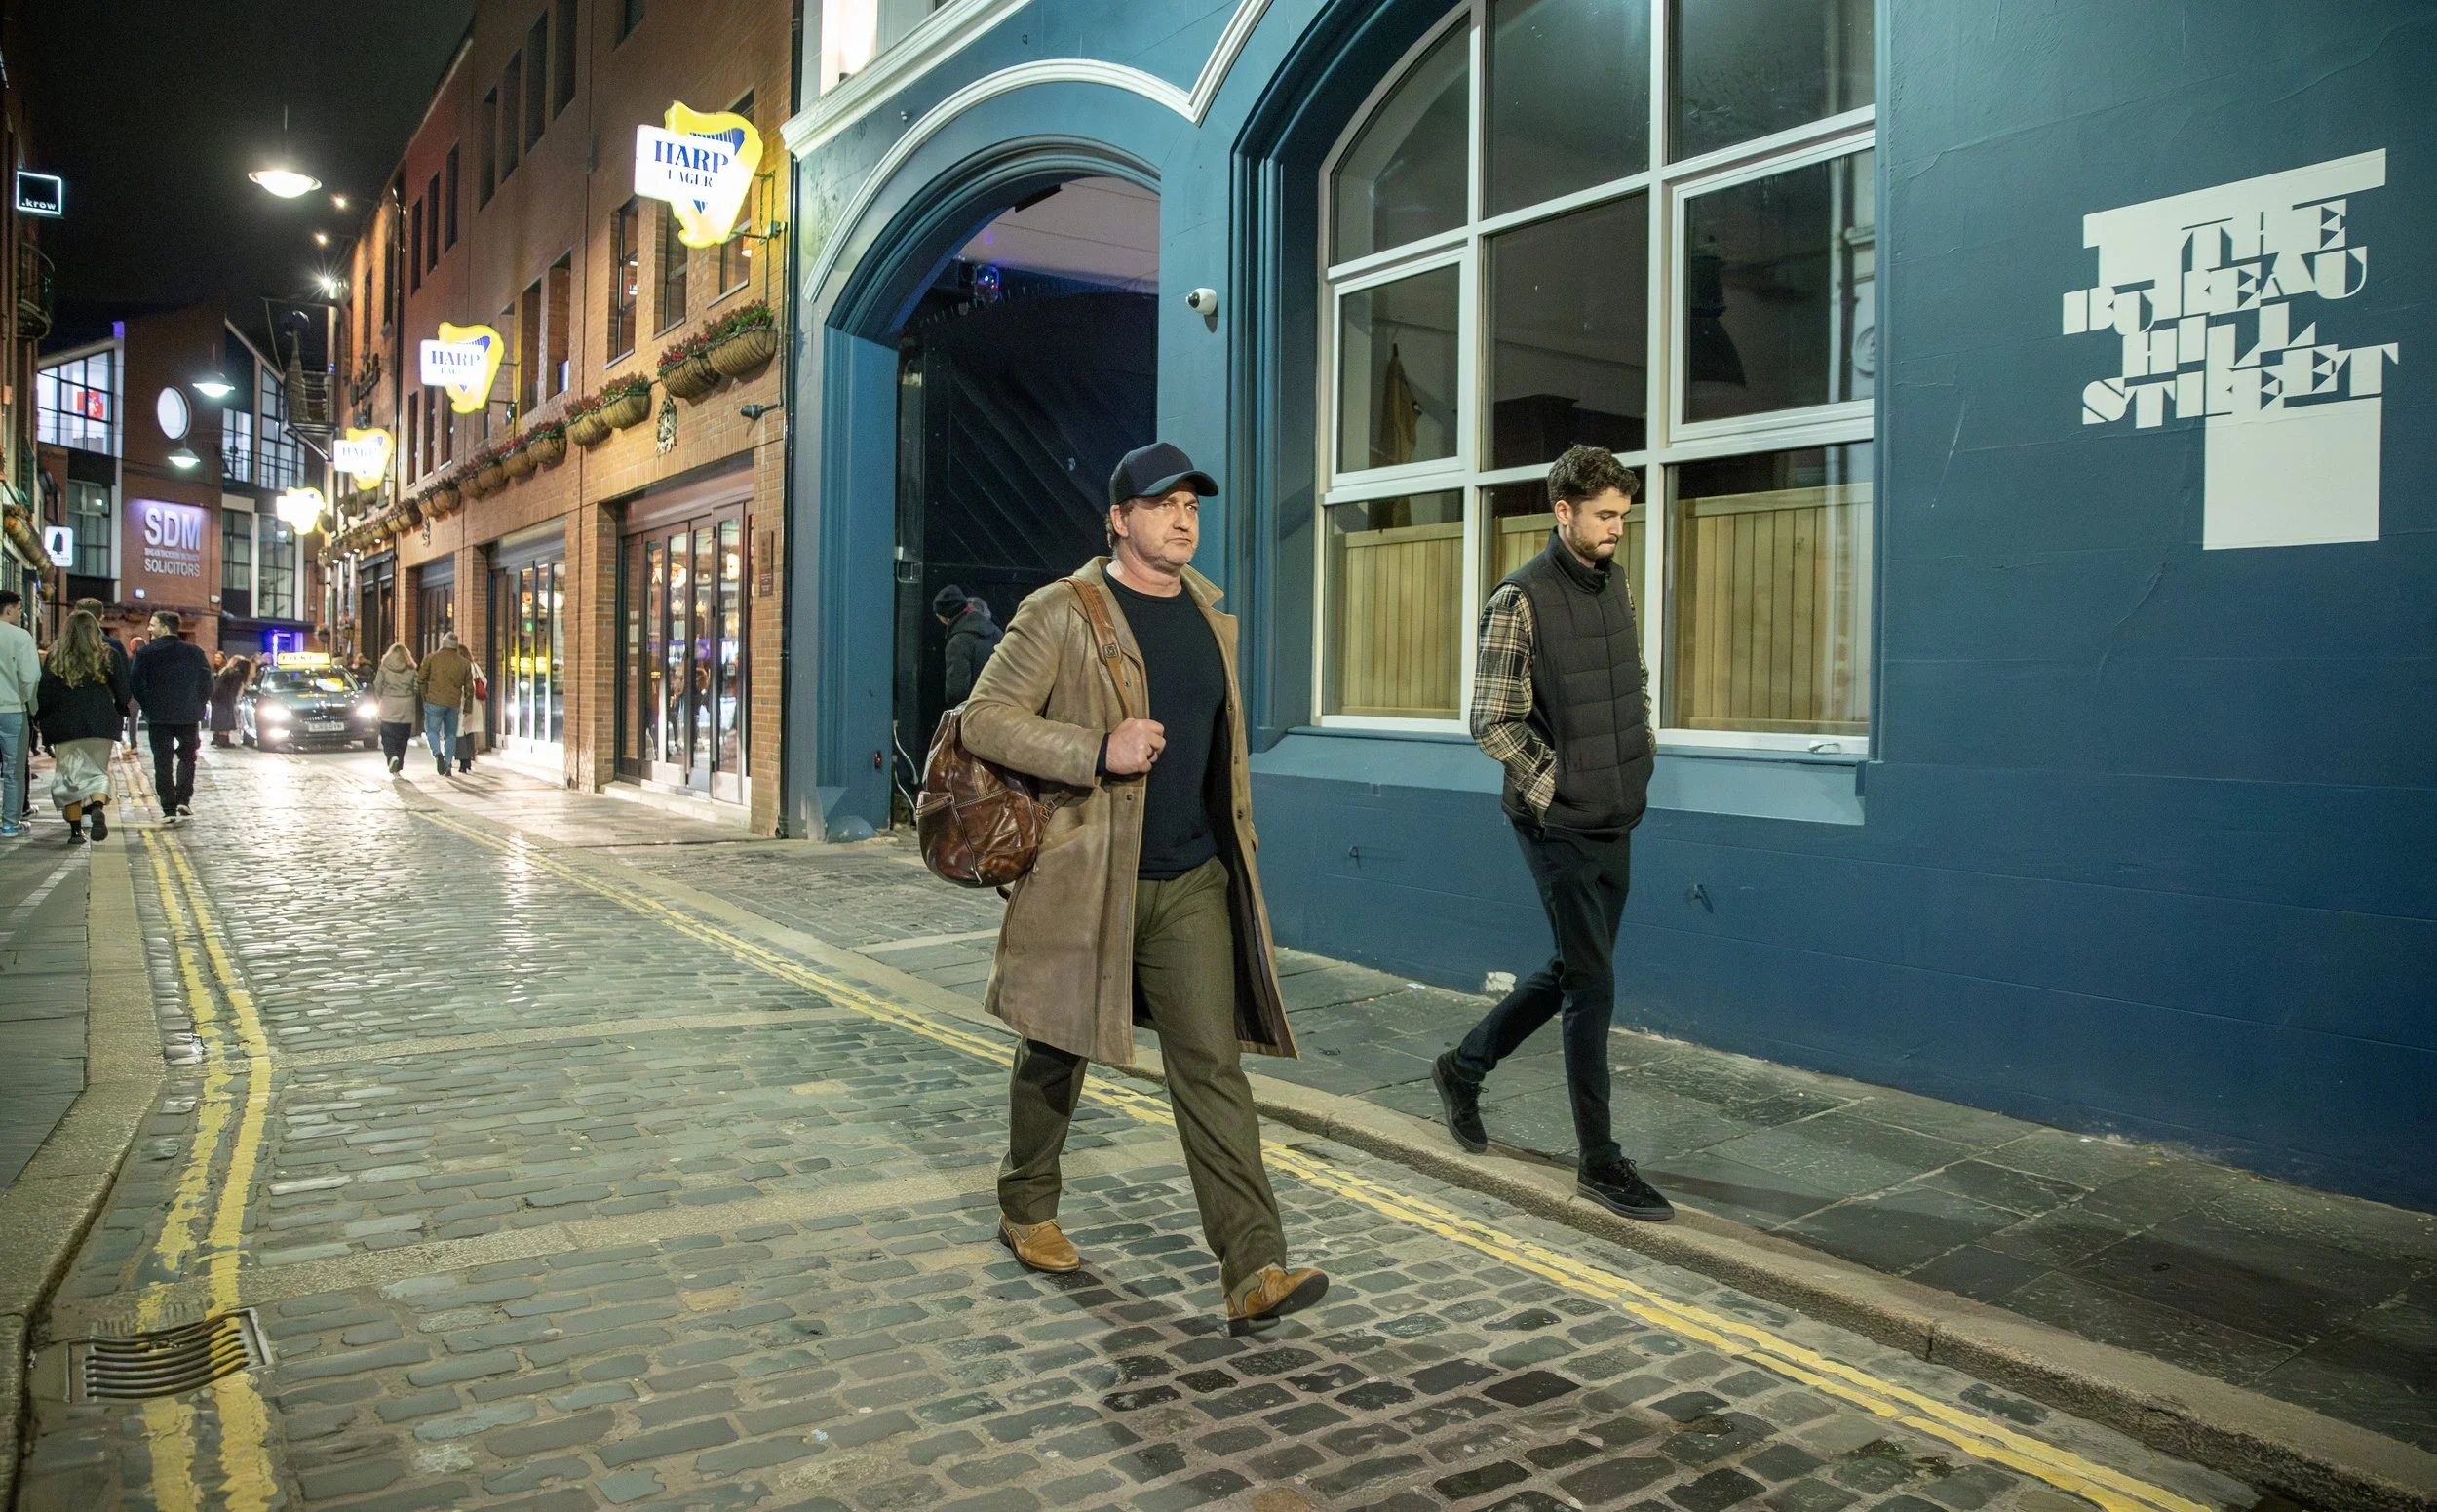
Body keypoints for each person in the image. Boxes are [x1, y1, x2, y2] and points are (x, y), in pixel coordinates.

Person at [959, 441, 1327, 1337]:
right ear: (1119, 520)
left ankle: (1253, 1265)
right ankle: (1028, 1204)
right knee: (1057, 1045)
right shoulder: (1061, 612)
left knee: (1211, 1066)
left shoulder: (1208, 614)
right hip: (1089, 876)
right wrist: (1095, 749)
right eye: (1163, 504)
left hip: (1192, 877)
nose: (1183, 517)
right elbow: (983, 718)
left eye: (1193, 505)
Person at [1431, 446, 1674, 1223]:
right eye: (1605, 516)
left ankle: (1464, 1068)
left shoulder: (1613, 581)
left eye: (1622, 517)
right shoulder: (1521, 598)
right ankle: (1600, 1161)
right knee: (1594, 986)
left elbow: (1627, 677)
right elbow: (1490, 719)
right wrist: (1557, 783)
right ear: (1562, 511)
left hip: (1617, 810)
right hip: (1559, 822)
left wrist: (1638, 760)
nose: (1616, 530)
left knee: (1578, 966)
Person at [35, 610, 129, 843]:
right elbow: (124, 692)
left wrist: (41, 717)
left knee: (69, 777)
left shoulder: (55, 656)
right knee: (97, 772)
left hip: (65, 725)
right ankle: (97, 805)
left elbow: (45, 693)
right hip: (101, 723)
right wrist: (119, 709)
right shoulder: (109, 655)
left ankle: (76, 831)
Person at [130, 611, 214, 819]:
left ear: (165, 628)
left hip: (158, 716)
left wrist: (148, 705)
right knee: (188, 758)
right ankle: (184, 800)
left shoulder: (146, 654)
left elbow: (136, 684)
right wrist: (198, 703)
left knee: (162, 760)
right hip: (188, 714)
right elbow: (207, 683)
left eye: (152, 625)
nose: (149, 629)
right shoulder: (194, 652)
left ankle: (168, 807)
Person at [0, 590, 39, 838]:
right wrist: (26, 700)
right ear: (9, 609)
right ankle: (9, 824)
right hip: (13, 710)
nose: (20, 613)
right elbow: (31, 677)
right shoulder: (21, 637)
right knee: (13, 770)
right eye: (19, 608)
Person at [415, 632, 476, 776]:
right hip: (453, 703)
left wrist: (425, 697)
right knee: (451, 735)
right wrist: (467, 706)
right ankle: (448, 764)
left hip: (433, 701)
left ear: (442, 644)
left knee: (431, 731)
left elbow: (421, 680)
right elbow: (469, 688)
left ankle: (437, 754)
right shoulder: (464, 663)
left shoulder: (431, 659)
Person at [934, 585, 1002, 706]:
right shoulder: (997, 632)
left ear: (945, 618)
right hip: (1003, 710)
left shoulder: (957, 643)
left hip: (975, 714)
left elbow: (957, 693)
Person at [370, 642, 420, 773]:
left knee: (387, 735)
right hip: (406, 705)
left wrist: (381, 697)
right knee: (403, 736)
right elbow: (417, 687)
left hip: (388, 704)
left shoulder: (384, 668)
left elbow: (377, 685)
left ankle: (391, 756)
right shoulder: (411, 669)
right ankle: (399, 762)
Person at [210, 655, 250, 747]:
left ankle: (220, 738)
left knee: (221, 717)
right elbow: (233, 688)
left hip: (218, 697)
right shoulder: (235, 673)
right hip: (225, 697)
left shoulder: (227, 671)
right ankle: (224, 740)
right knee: (226, 717)